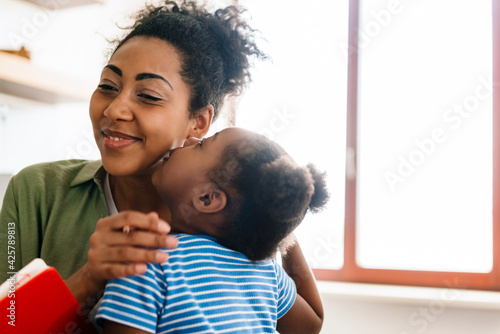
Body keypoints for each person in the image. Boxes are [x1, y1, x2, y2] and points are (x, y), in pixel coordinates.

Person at [0, 0, 265, 317]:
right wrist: (89, 278)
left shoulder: (232, 217)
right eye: (108, 86)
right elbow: (10, 320)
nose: (114, 110)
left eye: (148, 96)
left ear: (199, 121)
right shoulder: (36, 191)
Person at [95, 127, 328, 334]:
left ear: (206, 198)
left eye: (202, 144)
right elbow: (310, 325)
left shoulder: (146, 260)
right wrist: (277, 224)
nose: (189, 141)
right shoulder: (265, 272)